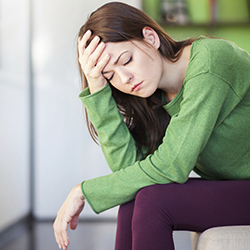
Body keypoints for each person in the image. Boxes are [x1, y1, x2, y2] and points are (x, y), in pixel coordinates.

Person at [53, 2, 250, 250]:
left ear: (150, 37)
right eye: (111, 76)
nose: (125, 79)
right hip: (237, 186)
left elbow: (171, 165)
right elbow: (129, 171)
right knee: (136, 197)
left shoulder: (211, 62)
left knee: (153, 201)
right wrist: (97, 87)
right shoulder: (155, 97)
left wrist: (83, 191)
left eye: (127, 60)